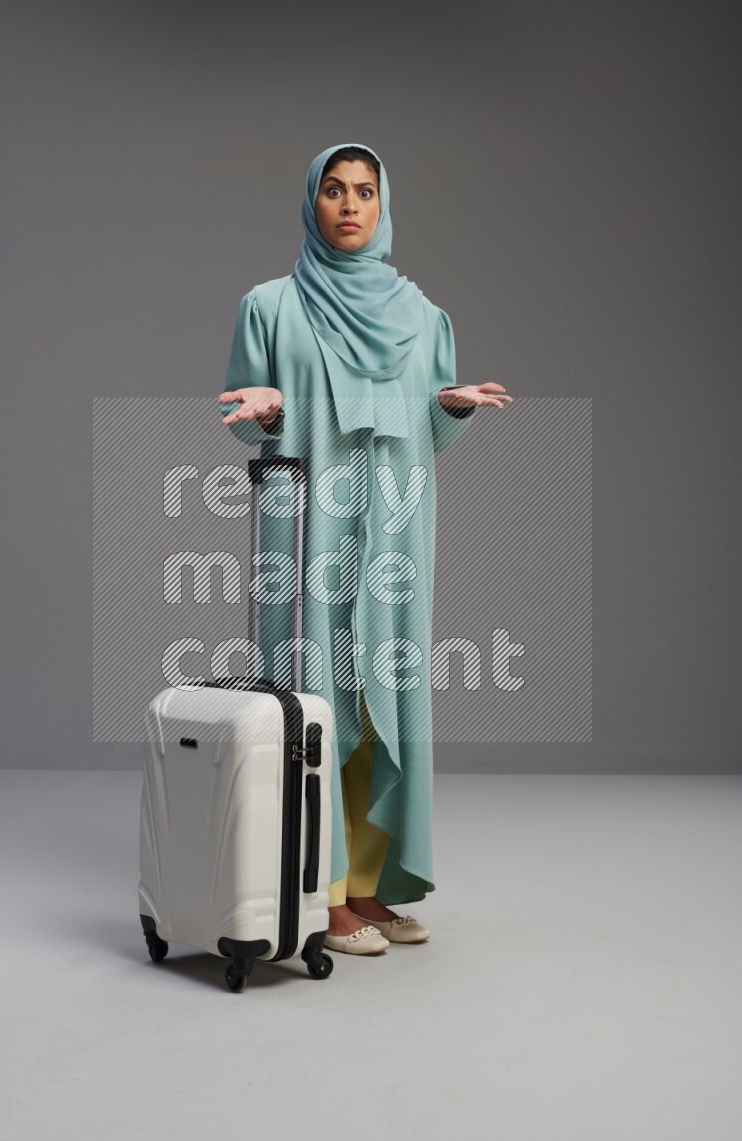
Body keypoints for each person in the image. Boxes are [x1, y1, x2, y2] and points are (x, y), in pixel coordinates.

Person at [218, 143, 512, 956]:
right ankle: (321, 891)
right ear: (311, 203)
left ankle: (371, 885)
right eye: (334, 191)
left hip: (394, 529)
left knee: (383, 693)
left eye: (366, 192)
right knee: (318, 697)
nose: (350, 205)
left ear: (385, 207)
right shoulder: (271, 306)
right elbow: (258, 413)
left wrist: (449, 406)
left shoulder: (423, 317)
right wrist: (274, 406)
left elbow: (430, 430)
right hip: (308, 522)